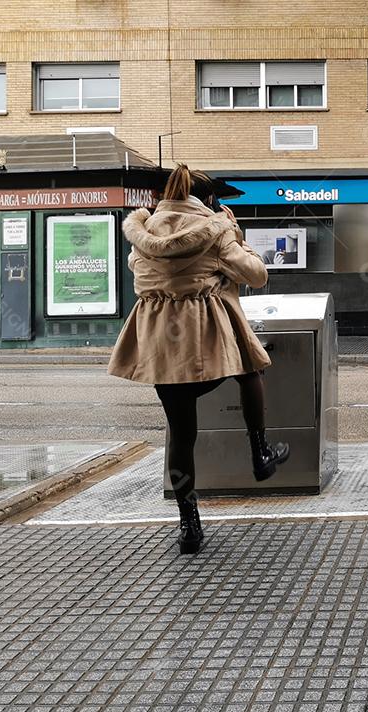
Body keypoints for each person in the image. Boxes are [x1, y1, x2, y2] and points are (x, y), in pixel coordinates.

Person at [108, 164, 290, 555]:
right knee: (249, 367)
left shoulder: (144, 232)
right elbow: (256, 275)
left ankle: (189, 525)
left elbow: (137, 269)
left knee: (181, 434)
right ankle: (259, 452)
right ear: (207, 200)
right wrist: (236, 237)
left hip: (160, 342)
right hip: (205, 336)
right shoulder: (218, 231)